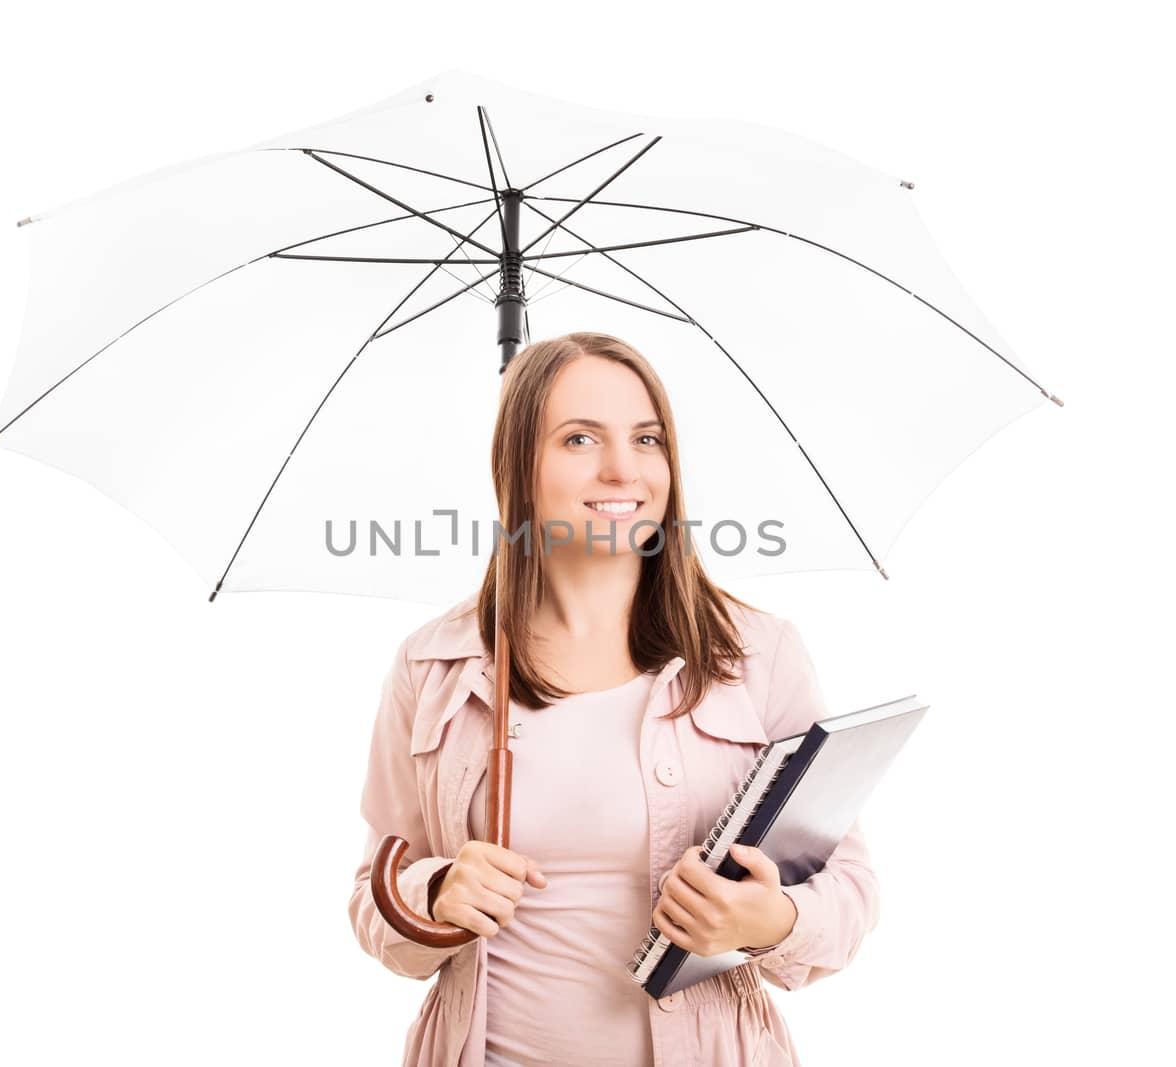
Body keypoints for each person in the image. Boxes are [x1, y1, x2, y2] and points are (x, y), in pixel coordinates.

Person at [350, 332, 881, 1066]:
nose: (623, 469)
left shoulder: (759, 655)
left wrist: (770, 916)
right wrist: (438, 892)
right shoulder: (434, 664)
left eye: (647, 438)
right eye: (578, 438)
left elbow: (849, 891)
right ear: (518, 466)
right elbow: (377, 888)